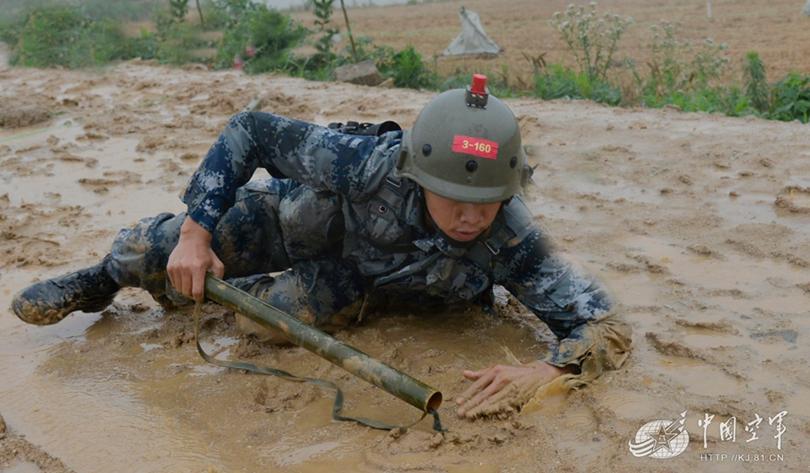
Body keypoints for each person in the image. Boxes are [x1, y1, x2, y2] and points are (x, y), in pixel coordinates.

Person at [11, 74, 631, 418]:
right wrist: (198, 235)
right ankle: (99, 281)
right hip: (288, 221)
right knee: (155, 247)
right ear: (417, 174)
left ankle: (218, 294)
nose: (470, 218)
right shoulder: (365, 163)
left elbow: (603, 325)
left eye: (486, 202)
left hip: (361, 284)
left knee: (281, 314)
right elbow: (249, 130)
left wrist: (547, 368)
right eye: (452, 198)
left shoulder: (513, 235)